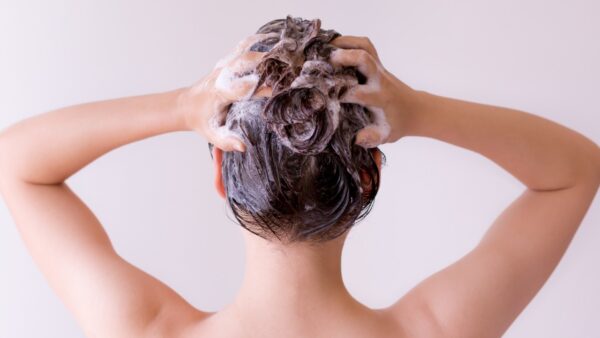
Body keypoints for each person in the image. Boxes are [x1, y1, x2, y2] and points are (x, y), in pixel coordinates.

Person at [1, 18, 599, 338]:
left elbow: (17, 162)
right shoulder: (437, 333)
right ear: (369, 176)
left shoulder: (145, 332)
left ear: (221, 174)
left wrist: (183, 106)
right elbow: (575, 170)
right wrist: (417, 111)